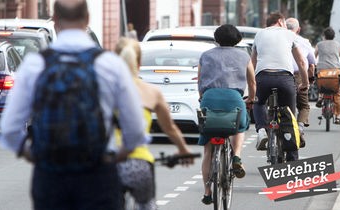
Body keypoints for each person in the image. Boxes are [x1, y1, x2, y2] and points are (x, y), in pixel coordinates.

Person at [0, 1, 147, 209]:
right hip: (98, 174)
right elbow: (136, 129)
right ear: (87, 19)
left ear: (55, 20)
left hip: (50, 176)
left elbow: (9, 128)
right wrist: (118, 154)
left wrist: (33, 154)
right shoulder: (110, 65)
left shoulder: (35, 65)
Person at [114, 37, 194, 209]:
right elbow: (170, 128)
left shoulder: (103, 88)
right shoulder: (151, 91)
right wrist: (183, 150)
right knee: (146, 205)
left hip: (109, 163)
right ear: (139, 62)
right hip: (139, 164)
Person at [198, 24, 256, 205]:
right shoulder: (244, 56)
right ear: (237, 39)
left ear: (217, 38)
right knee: (240, 126)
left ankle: (207, 192)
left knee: (208, 148)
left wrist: (203, 98)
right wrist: (251, 100)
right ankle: (237, 156)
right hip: (234, 99)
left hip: (209, 98)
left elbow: (200, 82)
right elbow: (252, 82)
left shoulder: (206, 55)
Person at [252, 12, 308, 161]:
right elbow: (301, 62)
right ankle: (292, 159)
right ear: (280, 21)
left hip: (263, 77)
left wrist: (251, 86)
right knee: (290, 116)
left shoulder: (259, 34)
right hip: (285, 78)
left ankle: (262, 130)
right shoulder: (290, 35)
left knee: (257, 103)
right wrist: (305, 83)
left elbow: (253, 63)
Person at [286, 17, 316, 147]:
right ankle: (299, 128)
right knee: (303, 105)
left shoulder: (280, 40)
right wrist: (309, 79)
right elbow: (311, 63)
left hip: (280, 74)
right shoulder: (304, 42)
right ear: (298, 29)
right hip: (298, 75)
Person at [314, 27, 340, 124]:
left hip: (322, 71)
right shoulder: (337, 44)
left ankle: (320, 97)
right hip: (334, 71)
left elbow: (314, 56)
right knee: (336, 93)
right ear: (334, 36)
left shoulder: (319, 44)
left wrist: (314, 64)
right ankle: (337, 117)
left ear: (324, 36)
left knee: (320, 84)